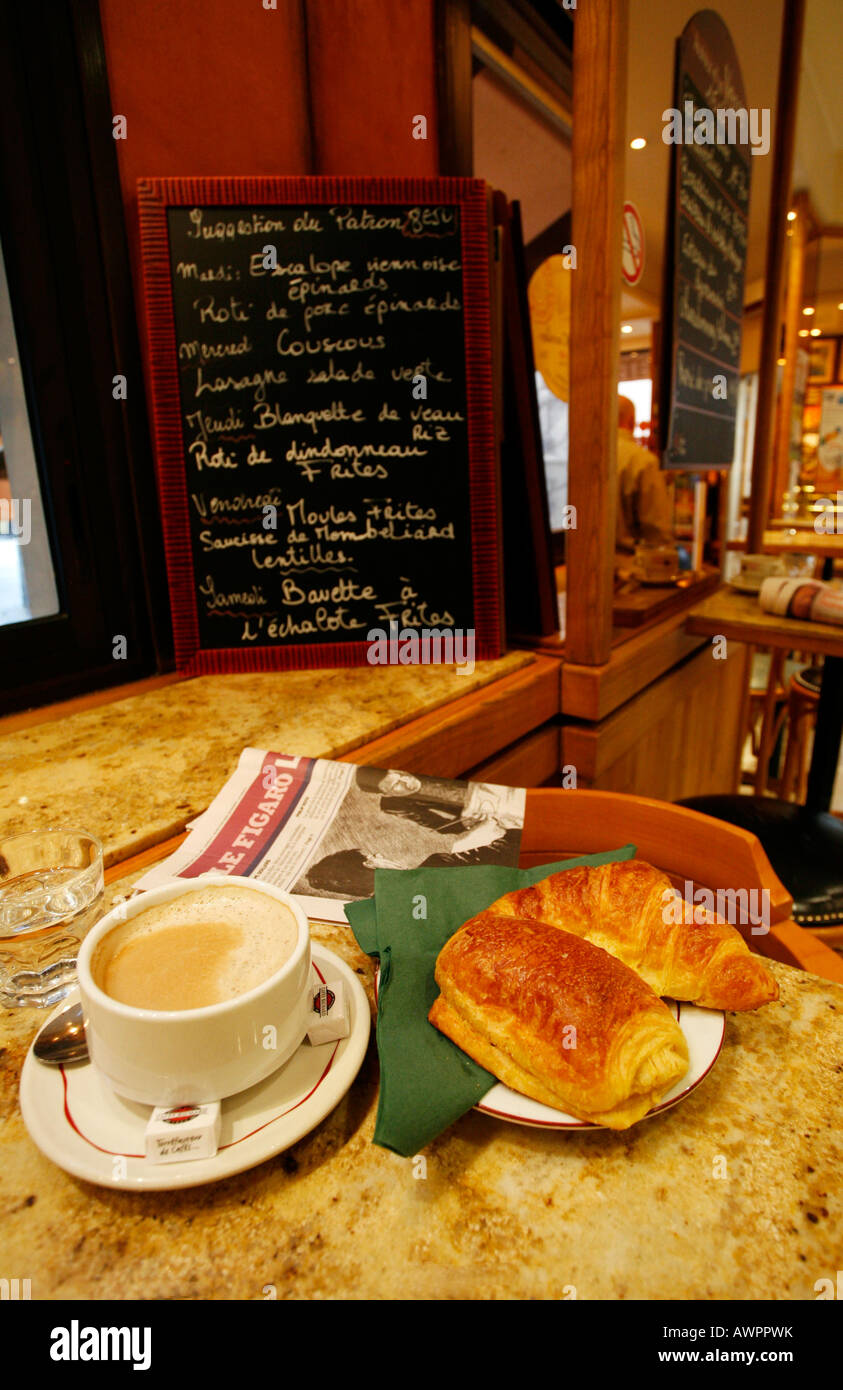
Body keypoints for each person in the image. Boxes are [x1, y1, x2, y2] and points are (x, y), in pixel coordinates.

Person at [616, 396, 674, 552]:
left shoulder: (584, 457)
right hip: (632, 566)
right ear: (631, 420)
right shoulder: (643, 461)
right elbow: (656, 532)